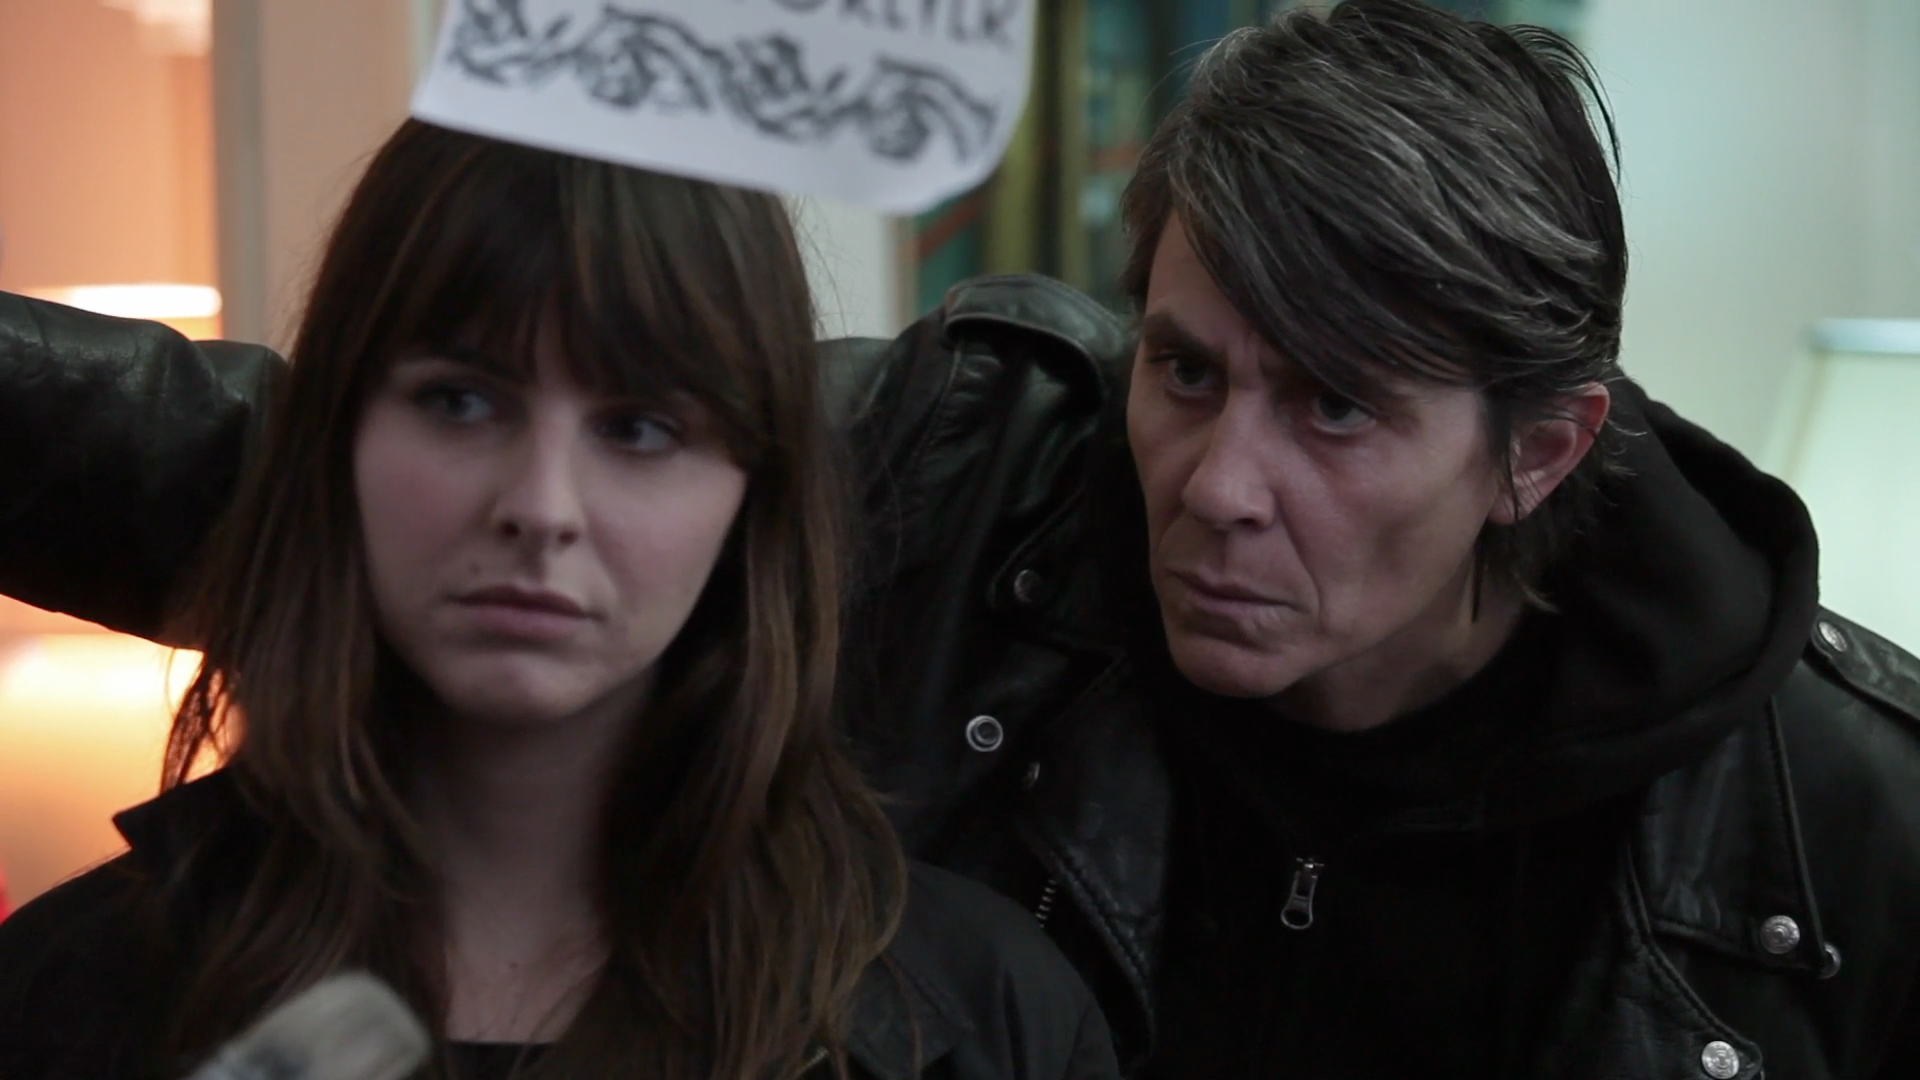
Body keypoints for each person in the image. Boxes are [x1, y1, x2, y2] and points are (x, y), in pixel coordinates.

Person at [2, 2, 1917, 1078]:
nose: (1219, 481)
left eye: (1336, 409)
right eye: (1186, 370)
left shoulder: (1833, 829)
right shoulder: (974, 471)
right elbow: (265, 471)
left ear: (1538, 451)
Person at [0, 119, 1120, 1080]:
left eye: (638, 428)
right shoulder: (67, 996)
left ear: (756, 491)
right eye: (460, 403)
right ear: (336, 439)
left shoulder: (985, 1019)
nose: (541, 507)